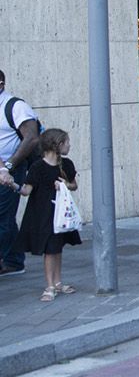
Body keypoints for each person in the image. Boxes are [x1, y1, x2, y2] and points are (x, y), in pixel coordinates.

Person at [19, 128, 80, 302]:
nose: (69, 145)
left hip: (61, 213)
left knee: (57, 247)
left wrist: (65, 184)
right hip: (43, 214)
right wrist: (13, 185)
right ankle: (50, 285)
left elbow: (74, 185)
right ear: (58, 145)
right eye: (67, 142)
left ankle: (58, 282)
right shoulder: (37, 166)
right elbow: (26, 190)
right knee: (50, 249)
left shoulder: (66, 164)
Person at [0, 69, 42, 275]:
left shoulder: (15, 106)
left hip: (10, 169)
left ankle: (11, 261)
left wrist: (9, 166)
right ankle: (13, 259)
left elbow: (32, 138)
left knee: (3, 216)